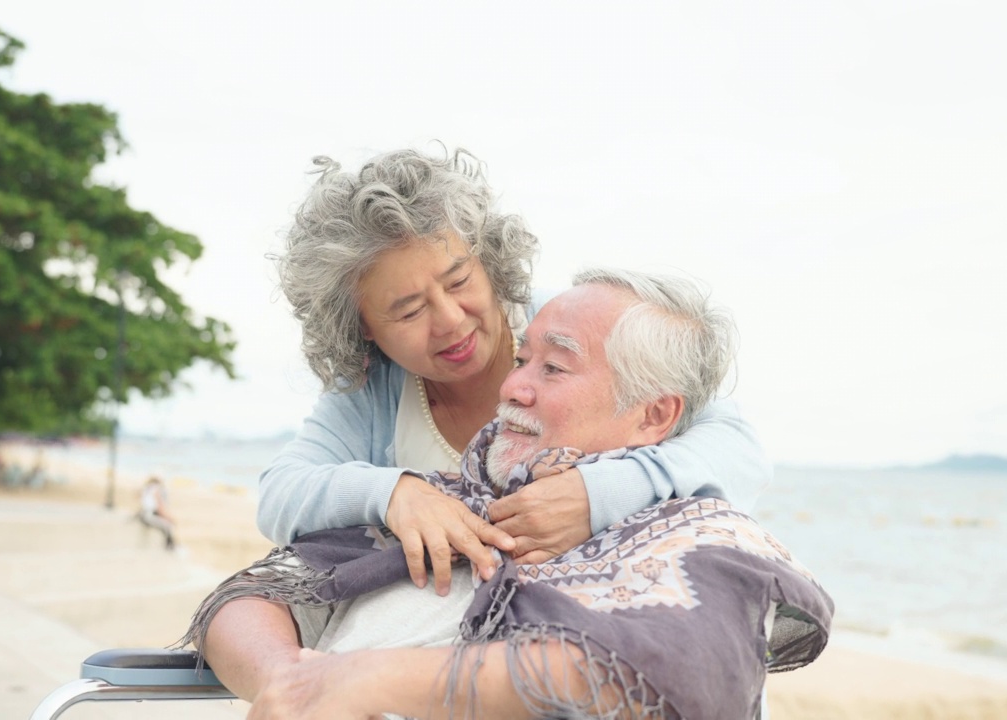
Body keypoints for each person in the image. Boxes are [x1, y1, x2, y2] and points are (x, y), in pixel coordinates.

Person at [208, 146, 774, 701]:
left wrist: (593, 493)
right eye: (407, 310)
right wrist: (394, 493)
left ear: (488, 260)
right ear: (364, 332)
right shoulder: (374, 390)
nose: (450, 321)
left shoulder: (568, 325)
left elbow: (736, 448)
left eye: (458, 282)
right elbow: (282, 495)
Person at [184, 270, 832, 719]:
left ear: (654, 416)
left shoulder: (701, 540)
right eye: (521, 360)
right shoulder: (452, 503)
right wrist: (287, 682)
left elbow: (661, 671)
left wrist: (364, 680)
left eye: (552, 368)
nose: (512, 387)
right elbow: (256, 597)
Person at [139, 476, 177, 550]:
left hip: (145, 514)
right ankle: (170, 548)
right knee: (169, 526)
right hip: (150, 515)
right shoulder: (157, 489)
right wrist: (168, 518)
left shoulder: (148, 488)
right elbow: (160, 508)